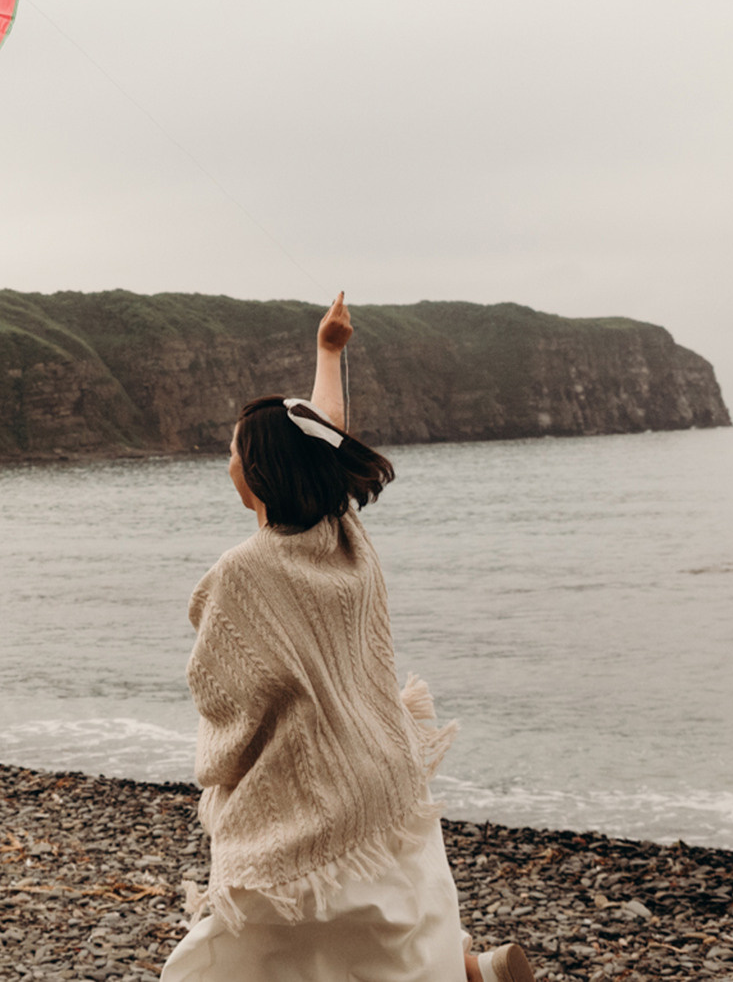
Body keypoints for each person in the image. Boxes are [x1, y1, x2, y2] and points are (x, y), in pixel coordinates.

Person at [163, 294, 533, 982]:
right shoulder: (344, 532)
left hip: (316, 786)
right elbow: (324, 431)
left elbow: (226, 694)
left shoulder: (243, 572)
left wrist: (223, 775)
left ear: (257, 470)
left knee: (259, 937)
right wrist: (328, 351)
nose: (228, 459)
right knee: (390, 907)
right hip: (382, 758)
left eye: (233, 450)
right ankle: (465, 969)